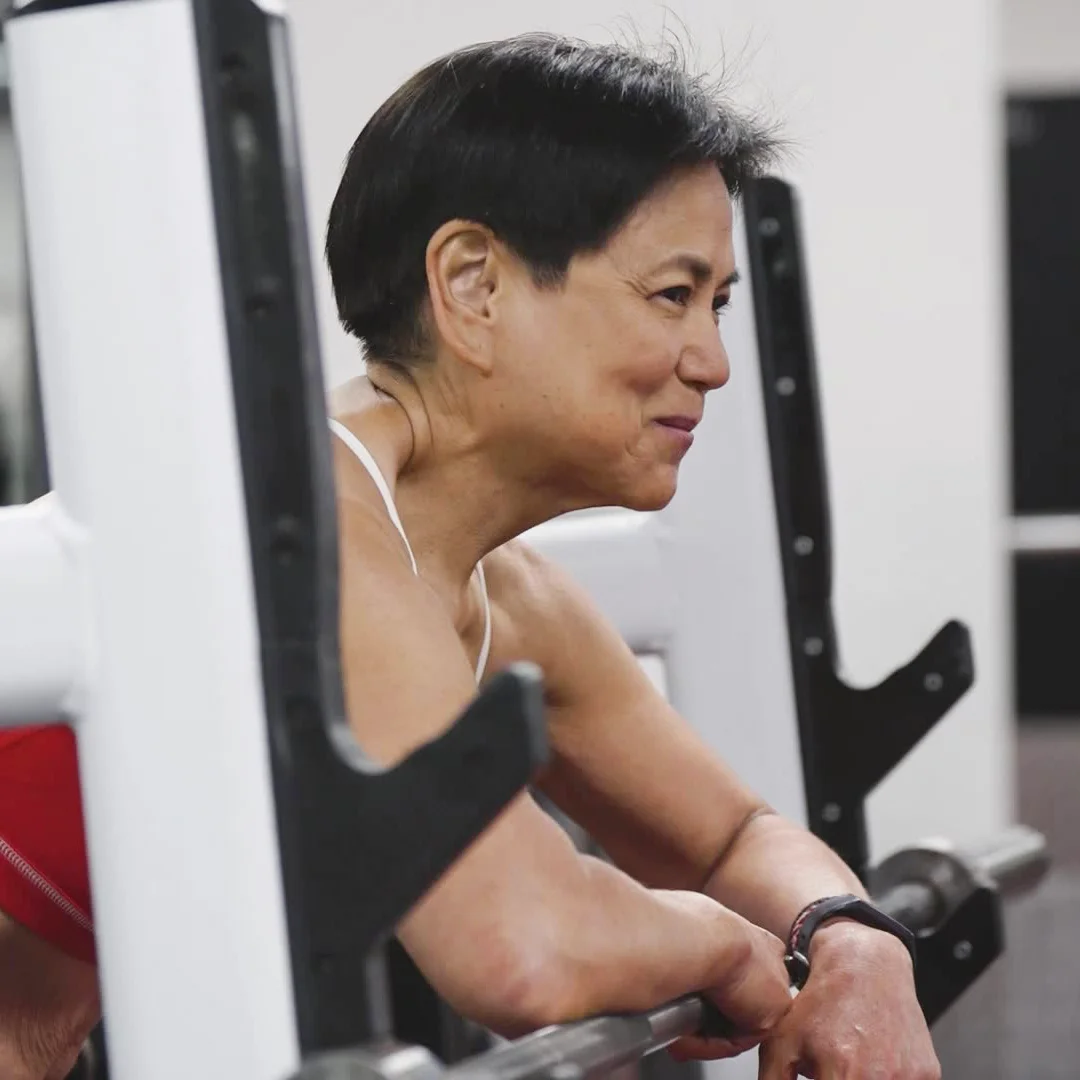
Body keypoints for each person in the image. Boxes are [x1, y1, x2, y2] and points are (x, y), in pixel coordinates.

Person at [0, 32, 941, 1080]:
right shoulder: (305, 528)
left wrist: (855, 942)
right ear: (474, 285)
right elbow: (523, 947)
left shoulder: (501, 592)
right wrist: (731, 945)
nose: (713, 362)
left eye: (716, 305)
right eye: (672, 295)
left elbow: (730, 837)